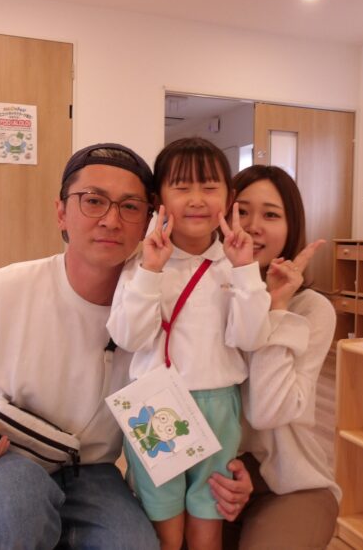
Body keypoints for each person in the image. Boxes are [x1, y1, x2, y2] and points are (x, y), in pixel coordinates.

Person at [0, 143, 163, 549]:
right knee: (16, 507)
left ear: (149, 221)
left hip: (87, 470)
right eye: (93, 201)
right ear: (61, 212)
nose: (111, 220)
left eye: (130, 207)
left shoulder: (151, 308)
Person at [107, 138, 270, 550]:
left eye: (210, 187)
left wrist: (245, 270)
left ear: (229, 198)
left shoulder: (236, 266)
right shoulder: (140, 265)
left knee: (207, 518)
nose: (197, 199)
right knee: (163, 520)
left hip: (219, 404)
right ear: (158, 199)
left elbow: (251, 338)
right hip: (154, 404)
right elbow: (128, 337)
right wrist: (151, 271)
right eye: (181, 188)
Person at [218, 164, 341, 550]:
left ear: (291, 228)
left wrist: (276, 308)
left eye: (271, 215)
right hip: (214, 475)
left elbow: (267, 412)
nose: (253, 226)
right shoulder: (207, 296)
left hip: (290, 483)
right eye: (241, 211)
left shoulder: (311, 309)